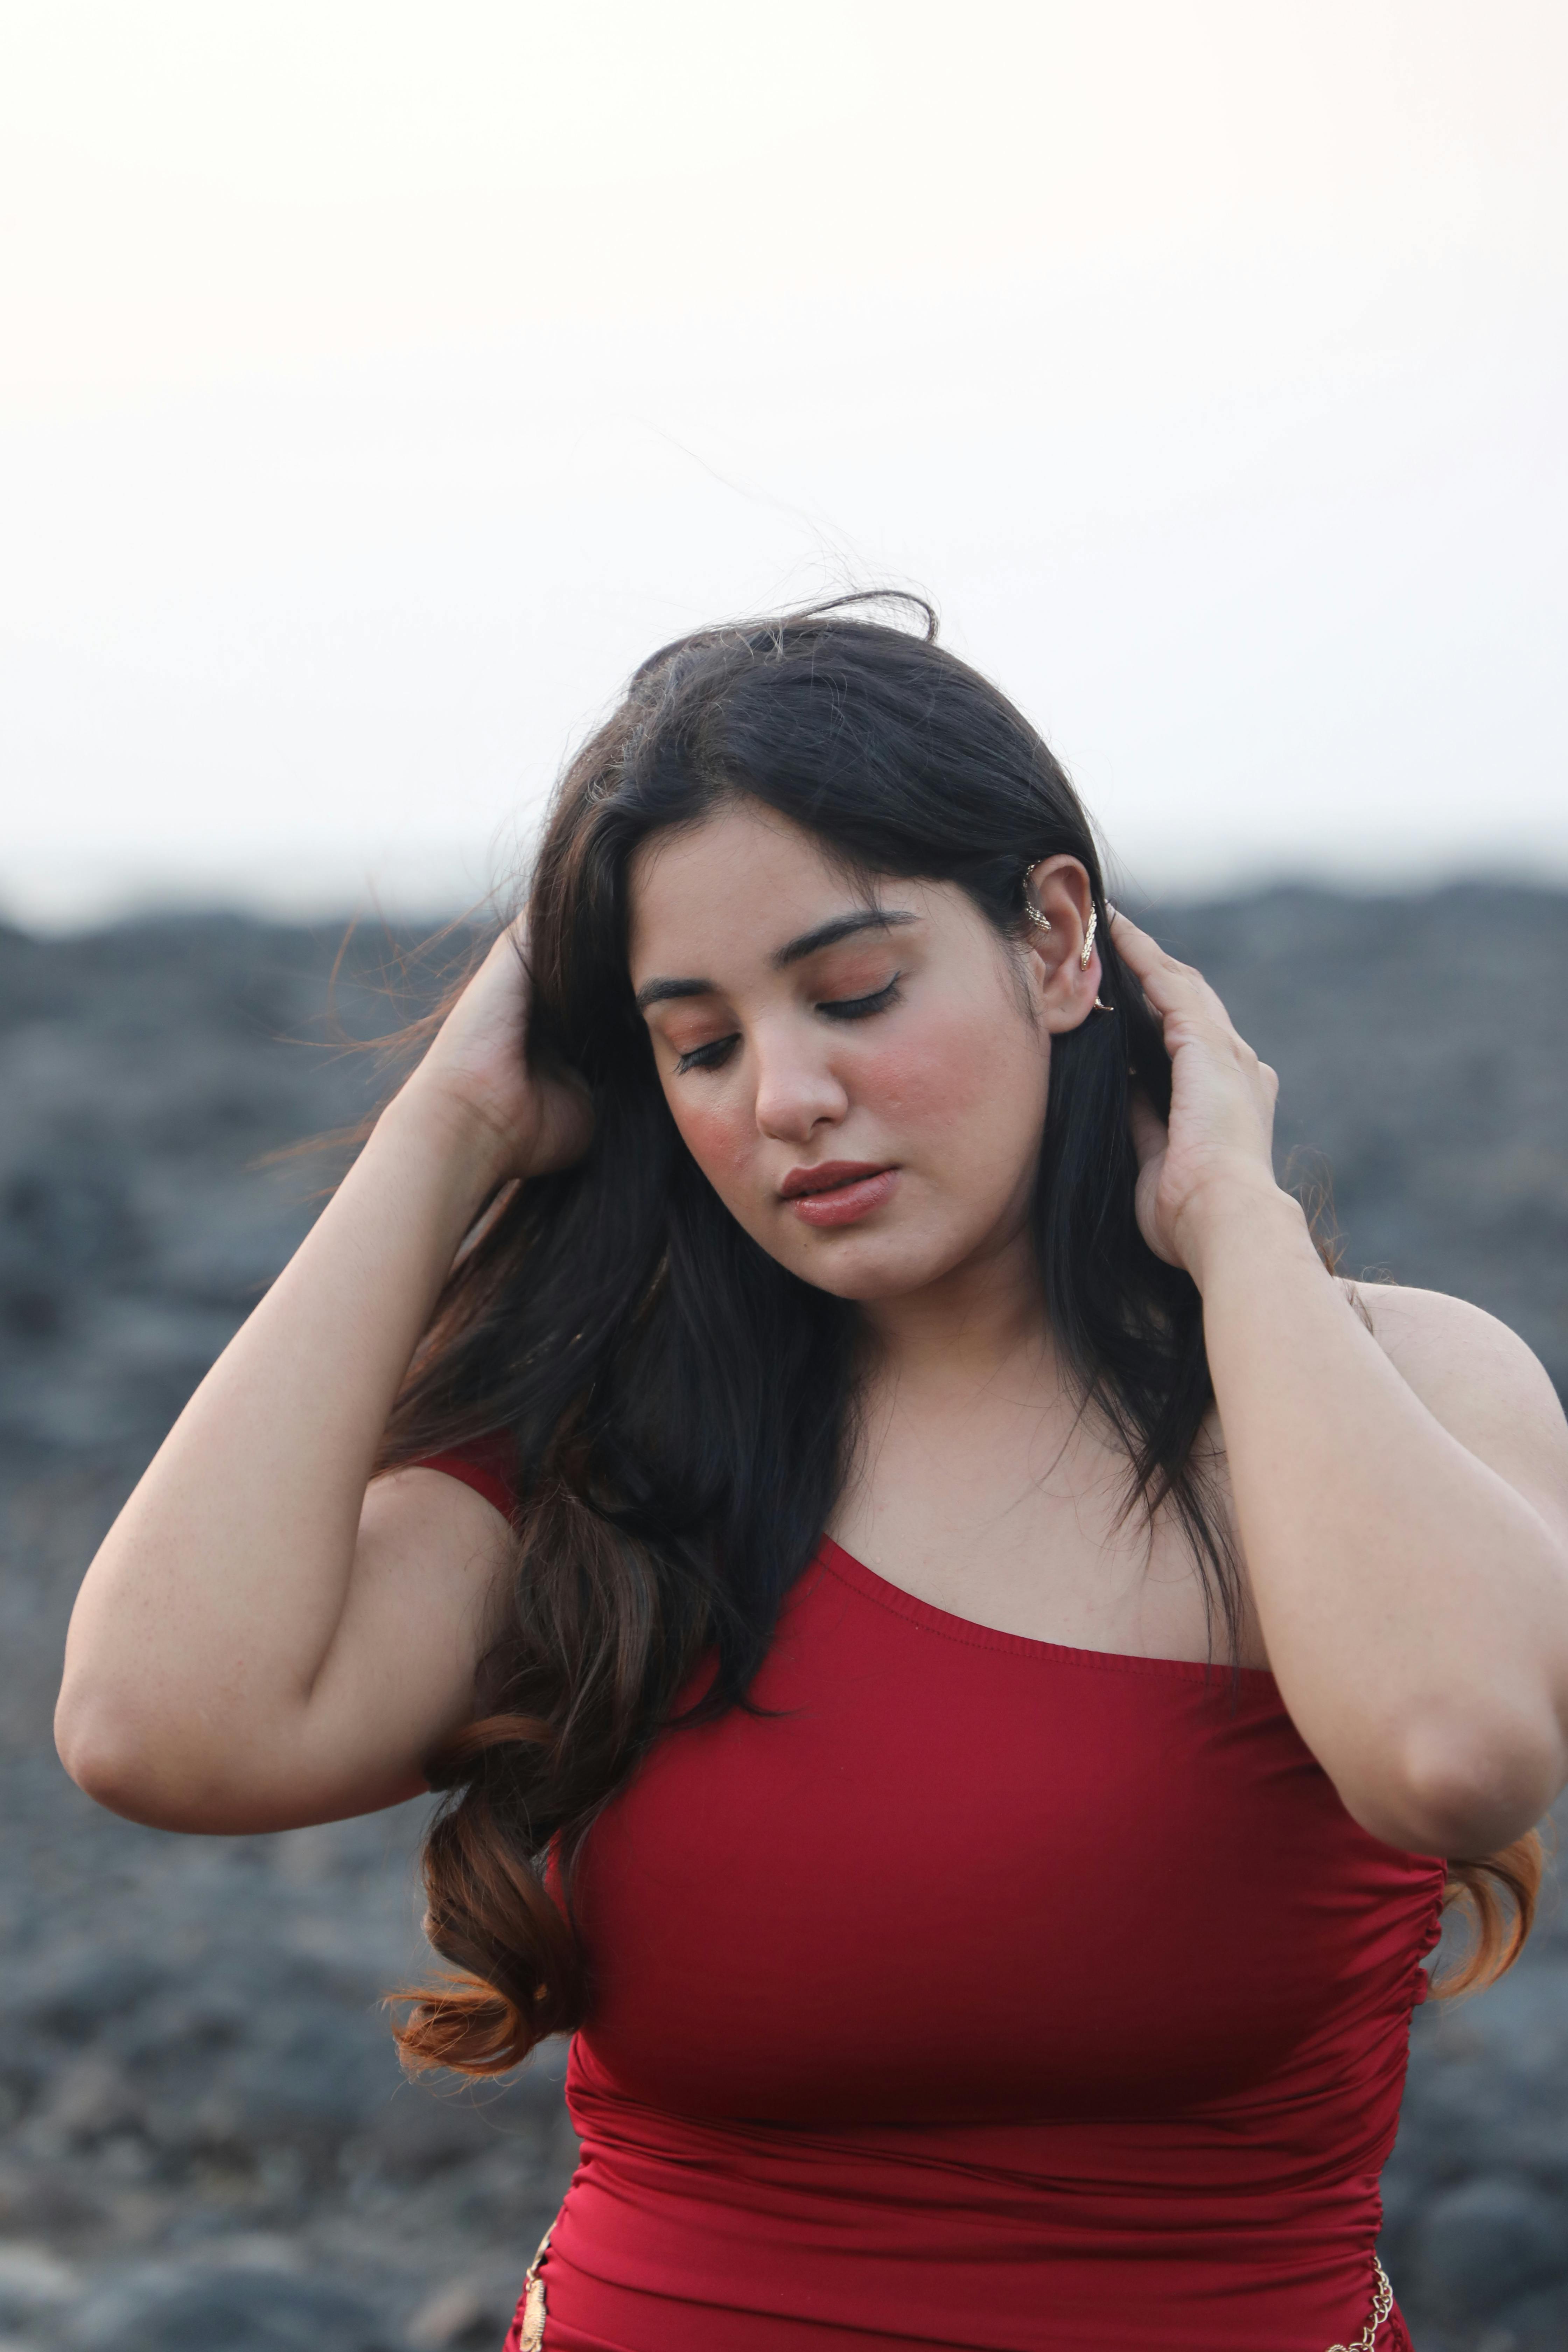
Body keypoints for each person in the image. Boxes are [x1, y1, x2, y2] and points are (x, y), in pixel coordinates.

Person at [56, 598, 1568, 2352]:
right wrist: (445, 1128)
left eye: (853, 994)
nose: (785, 1095)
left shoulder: (1394, 1381)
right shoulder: (605, 1457)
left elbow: (1457, 1755)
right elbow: (155, 1728)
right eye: (696, 1043)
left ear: (1057, 936)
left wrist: (1233, 1223)